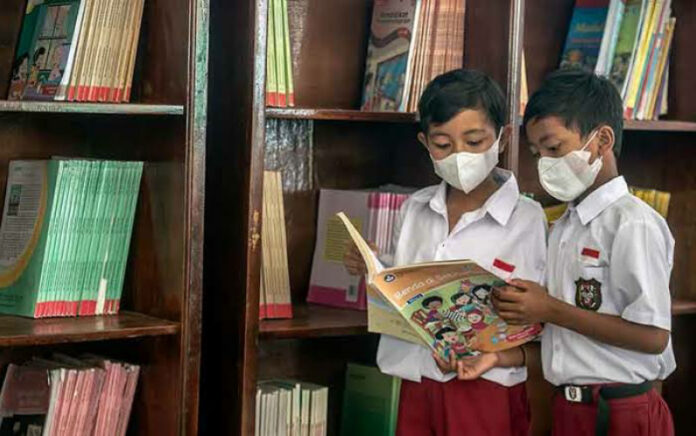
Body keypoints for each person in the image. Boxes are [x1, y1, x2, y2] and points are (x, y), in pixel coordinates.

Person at [343, 69, 547, 436]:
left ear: (502, 138)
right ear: (425, 142)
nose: (460, 156)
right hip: (416, 380)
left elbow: (544, 325)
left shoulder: (529, 220)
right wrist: (374, 267)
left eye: (474, 141)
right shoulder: (415, 209)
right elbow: (400, 293)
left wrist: (498, 353)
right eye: (443, 144)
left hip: (489, 389)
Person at [490, 69, 675, 436]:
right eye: (537, 153)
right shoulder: (564, 225)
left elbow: (654, 336)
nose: (544, 163)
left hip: (620, 408)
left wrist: (550, 309)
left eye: (554, 148)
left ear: (602, 139)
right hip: (568, 405)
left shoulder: (632, 223)